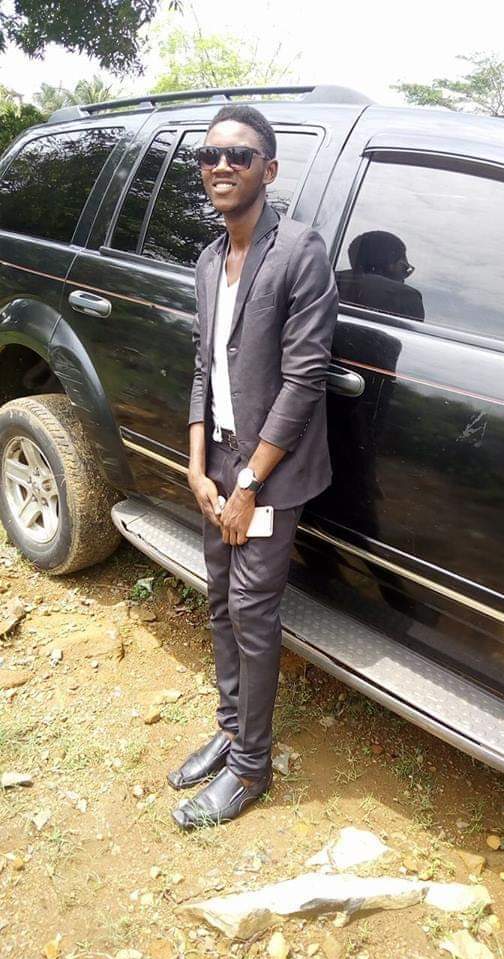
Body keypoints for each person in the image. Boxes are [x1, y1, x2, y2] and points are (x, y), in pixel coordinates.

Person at [167, 104, 338, 829]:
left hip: (268, 472)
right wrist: (196, 466)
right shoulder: (210, 259)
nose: (221, 166)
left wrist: (247, 483)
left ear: (268, 170)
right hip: (219, 465)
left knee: (252, 612)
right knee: (219, 600)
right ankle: (231, 727)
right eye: (209, 156)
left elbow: (304, 379)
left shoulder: (299, 251)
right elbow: (204, 368)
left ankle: (250, 765)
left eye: (238, 155)